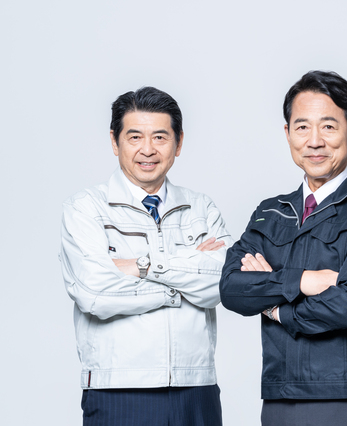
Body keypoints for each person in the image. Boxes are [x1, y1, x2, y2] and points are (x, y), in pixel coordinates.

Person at [220, 70, 347, 426]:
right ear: (288, 134)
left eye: (329, 127)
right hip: (280, 398)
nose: (314, 141)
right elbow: (231, 288)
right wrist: (304, 281)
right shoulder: (271, 212)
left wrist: (276, 310)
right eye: (302, 127)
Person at [60, 87, 232, 426]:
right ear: (115, 141)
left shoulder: (201, 208)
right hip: (117, 389)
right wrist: (181, 283)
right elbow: (94, 293)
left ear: (178, 143)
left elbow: (222, 283)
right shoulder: (86, 209)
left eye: (160, 137)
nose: (148, 150)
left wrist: (143, 267)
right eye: (135, 137)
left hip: (196, 387)